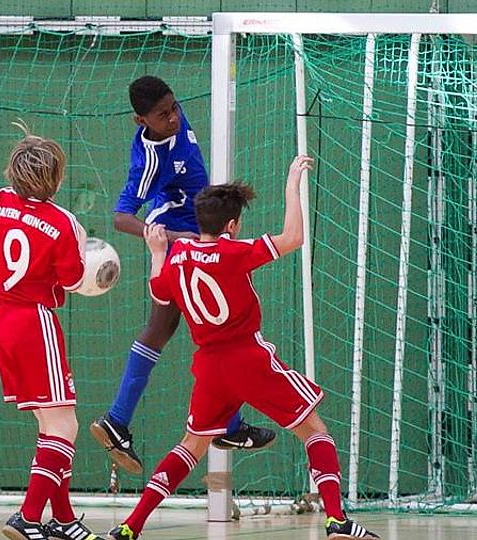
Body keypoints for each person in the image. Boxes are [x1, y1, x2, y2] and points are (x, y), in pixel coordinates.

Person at [105, 156, 380, 539]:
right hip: (247, 359)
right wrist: (291, 185)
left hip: (209, 367)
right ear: (232, 226)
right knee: (315, 431)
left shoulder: (178, 255)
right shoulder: (233, 252)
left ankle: (129, 527)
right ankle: (337, 521)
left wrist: (156, 254)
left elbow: (159, 294)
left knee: (190, 446)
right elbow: (293, 238)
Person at [90, 76, 274, 475]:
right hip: (181, 238)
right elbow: (121, 218)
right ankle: (225, 425)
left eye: (174, 107)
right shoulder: (148, 161)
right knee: (216, 330)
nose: (173, 117)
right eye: (162, 114)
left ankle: (121, 420)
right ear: (141, 120)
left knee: (169, 329)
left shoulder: (173, 115)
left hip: (198, 231)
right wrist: (172, 238)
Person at [0, 121, 101, 540]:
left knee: (50, 426)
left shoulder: (1, 201)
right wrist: (86, 258)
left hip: (1, 321)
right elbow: (73, 281)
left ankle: (63, 519)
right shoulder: (64, 222)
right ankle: (28, 516)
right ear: (56, 177)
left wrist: (3, 274)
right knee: (65, 427)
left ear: (14, 171)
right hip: (34, 323)